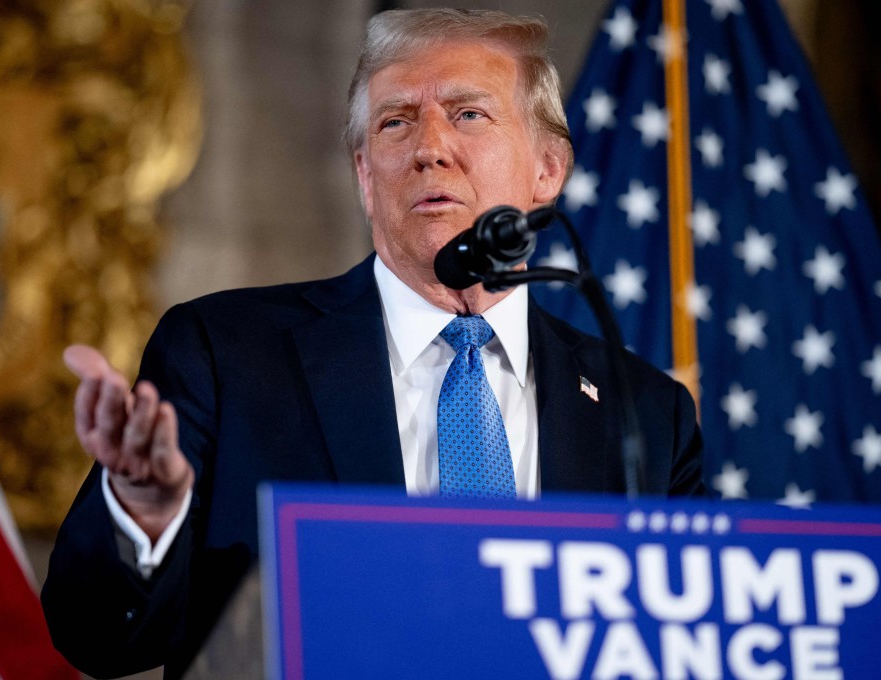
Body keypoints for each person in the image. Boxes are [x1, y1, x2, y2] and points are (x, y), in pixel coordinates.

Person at [42, 8, 704, 678]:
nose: (429, 147)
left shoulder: (648, 413)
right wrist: (143, 517)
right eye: (396, 121)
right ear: (364, 175)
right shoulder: (224, 356)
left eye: (468, 114)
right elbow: (95, 637)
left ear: (548, 170)